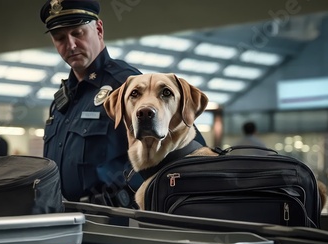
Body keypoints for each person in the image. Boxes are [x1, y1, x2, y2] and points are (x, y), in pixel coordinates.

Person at [40, 0, 206, 205]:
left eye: (78, 33)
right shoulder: (62, 100)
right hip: (64, 216)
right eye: (60, 38)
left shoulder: (129, 87)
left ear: (99, 29)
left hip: (113, 220)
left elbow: (190, 150)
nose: (71, 45)